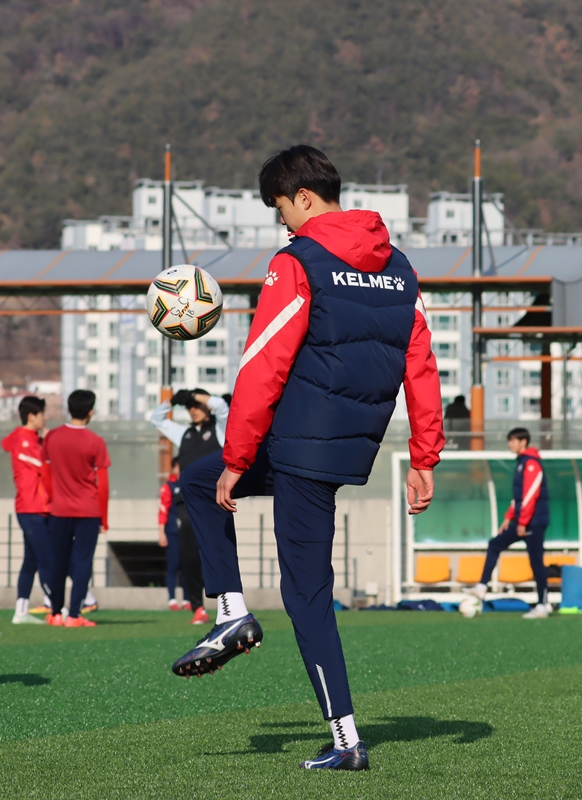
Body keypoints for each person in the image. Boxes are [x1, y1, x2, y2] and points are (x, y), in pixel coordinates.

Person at [173, 145, 444, 770]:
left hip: (299, 445)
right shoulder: (398, 267)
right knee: (198, 481)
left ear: (302, 197)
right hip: (345, 445)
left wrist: (238, 455)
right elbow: (421, 364)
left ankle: (347, 742)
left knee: (306, 595)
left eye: (280, 209)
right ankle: (232, 613)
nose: (282, 223)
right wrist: (424, 456)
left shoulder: (297, 260)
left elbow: (263, 363)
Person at [149, 388, 229, 624]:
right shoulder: (184, 433)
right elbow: (156, 418)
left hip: (215, 502)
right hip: (186, 505)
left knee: (219, 556)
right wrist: (173, 401)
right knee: (190, 558)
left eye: (196, 406)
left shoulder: (220, 429)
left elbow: (222, 407)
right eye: (189, 407)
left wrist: (195, 395)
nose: (193, 410)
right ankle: (198, 607)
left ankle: (228, 608)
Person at [466, 428, 551, 619]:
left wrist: (522, 522)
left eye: (513, 440)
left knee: (537, 563)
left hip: (533, 522)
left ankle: (542, 605)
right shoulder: (521, 463)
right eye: (509, 440)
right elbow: (519, 497)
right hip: (523, 520)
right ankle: (482, 587)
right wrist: (508, 517)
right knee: (495, 544)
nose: (510, 444)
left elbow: (530, 495)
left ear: (523, 442)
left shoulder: (531, 463)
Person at [42, 389, 110, 628]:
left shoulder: (52, 437)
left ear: (69, 409)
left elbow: (45, 475)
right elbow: (103, 485)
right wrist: (104, 518)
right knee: (82, 562)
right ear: (91, 412)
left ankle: (55, 613)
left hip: (59, 510)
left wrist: (52, 500)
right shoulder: (95, 441)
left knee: (58, 561)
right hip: (88, 511)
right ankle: (74, 615)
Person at [3, 396, 52, 624]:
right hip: (32, 508)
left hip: (38, 507)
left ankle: (21, 610)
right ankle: (57, 607)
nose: (45, 418)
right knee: (47, 558)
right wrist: (50, 442)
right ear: (32, 416)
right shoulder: (24, 441)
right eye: (42, 414)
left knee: (31, 560)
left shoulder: (31, 439)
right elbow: (46, 465)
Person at [158, 463, 190, 611]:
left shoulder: (188, 483)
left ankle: (187, 599)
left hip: (187, 532)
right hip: (172, 532)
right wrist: (161, 532)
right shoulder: (168, 487)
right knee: (173, 565)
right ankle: (172, 599)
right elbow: (163, 510)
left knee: (187, 566)